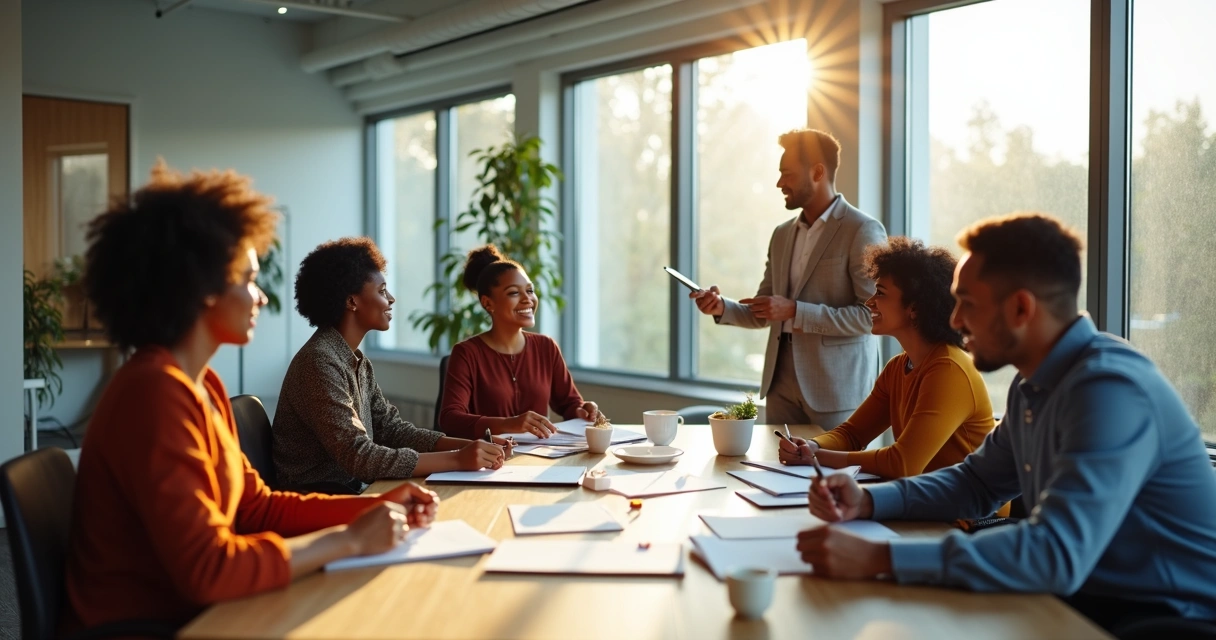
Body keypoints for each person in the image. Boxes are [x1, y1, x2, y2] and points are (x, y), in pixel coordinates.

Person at [796, 213, 1216, 634]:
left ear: (1020, 308)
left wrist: (880, 557)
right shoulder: (1032, 384)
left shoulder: (1108, 390)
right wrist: (868, 501)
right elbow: (975, 484)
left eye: (968, 303)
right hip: (1091, 597)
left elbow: (1054, 553)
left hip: (1168, 618)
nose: (954, 320)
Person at [64, 163, 440, 633]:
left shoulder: (202, 385)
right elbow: (208, 571)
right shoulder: (153, 394)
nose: (260, 297)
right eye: (247, 279)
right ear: (203, 288)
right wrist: (349, 540)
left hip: (199, 609)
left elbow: (257, 508)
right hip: (152, 624)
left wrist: (374, 506)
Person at [274, 238, 512, 494]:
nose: (391, 299)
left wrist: (471, 445)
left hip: (351, 489)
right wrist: (457, 459)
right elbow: (359, 457)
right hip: (319, 497)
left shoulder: (356, 361)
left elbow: (391, 430)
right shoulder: (319, 361)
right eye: (382, 291)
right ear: (352, 301)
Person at [691, 128, 886, 429]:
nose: (779, 183)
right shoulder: (782, 235)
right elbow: (765, 310)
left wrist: (795, 311)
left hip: (836, 390)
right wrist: (720, 307)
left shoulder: (862, 230)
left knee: (835, 462)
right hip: (780, 388)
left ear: (818, 172)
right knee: (775, 461)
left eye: (787, 174)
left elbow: (872, 316)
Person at [776, 237, 996, 480]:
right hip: (923, 495)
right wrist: (811, 446)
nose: (869, 302)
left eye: (880, 293)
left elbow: (902, 464)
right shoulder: (898, 367)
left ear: (914, 308)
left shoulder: (948, 369)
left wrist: (816, 457)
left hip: (970, 504)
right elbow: (852, 434)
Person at [439, 244, 598, 440]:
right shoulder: (467, 353)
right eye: (514, 293)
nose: (527, 299)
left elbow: (570, 404)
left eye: (530, 290)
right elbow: (450, 419)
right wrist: (509, 424)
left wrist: (583, 410)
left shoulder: (546, 347)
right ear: (488, 303)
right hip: (490, 456)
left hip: (540, 454)